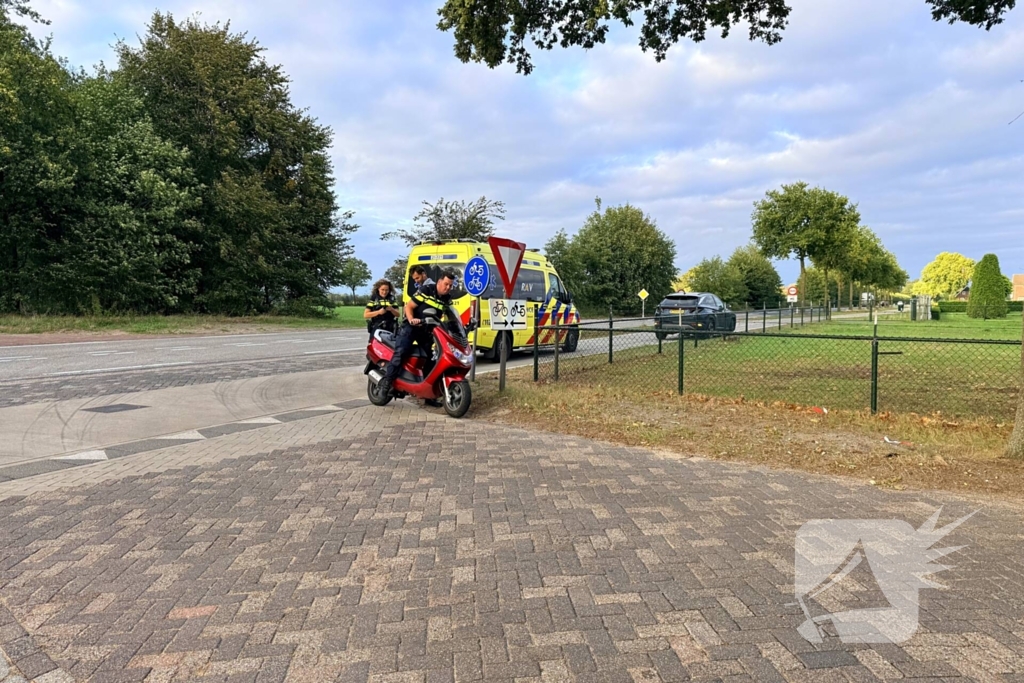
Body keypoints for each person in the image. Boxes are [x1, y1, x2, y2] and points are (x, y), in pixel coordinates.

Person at [379, 270, 456, 407]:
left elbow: (450, 315)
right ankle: (386, 384)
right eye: (446, 284)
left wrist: (457, 326)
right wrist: (412, 319)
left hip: (426, 330)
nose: (448, 287)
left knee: (430, 359)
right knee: (401, 352)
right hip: (412, 327)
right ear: (439, 282)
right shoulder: (426, 290)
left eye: (450, 285)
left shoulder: (447, 298)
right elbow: (409, 307)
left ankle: (428, 395)